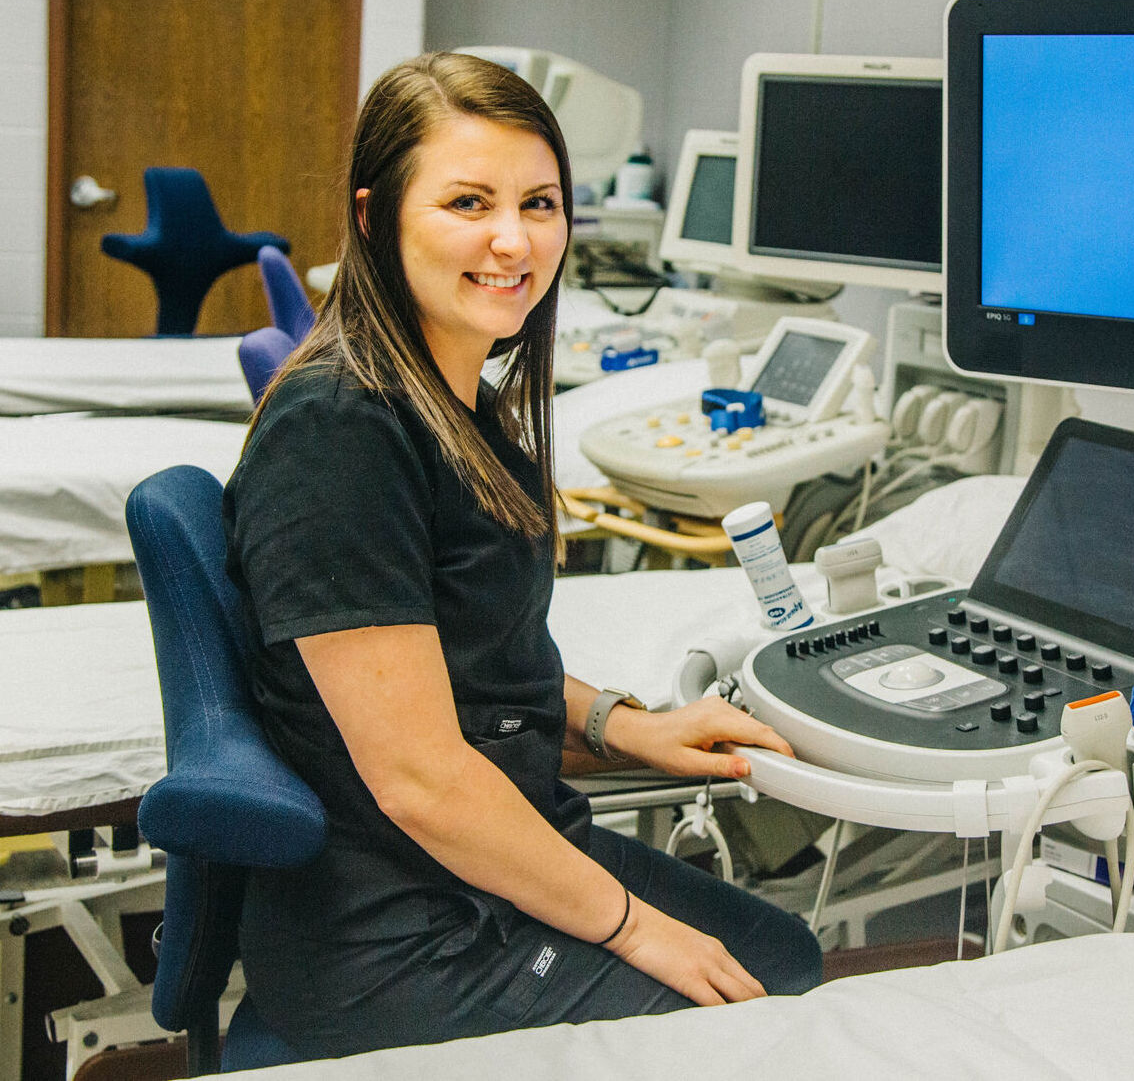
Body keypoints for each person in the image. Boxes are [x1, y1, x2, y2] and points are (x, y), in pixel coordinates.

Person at [223, 52, 823, 1059]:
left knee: (785, 953)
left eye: (539, 202)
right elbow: (420, 777)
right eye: (468, 202)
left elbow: (465, 670)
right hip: (397, 935)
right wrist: (636, 929)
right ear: (374, 218)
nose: (514, 239)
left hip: (467, 872)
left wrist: (628, 728)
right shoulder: (340, 430)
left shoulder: (455, 403)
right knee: (760, 1016)